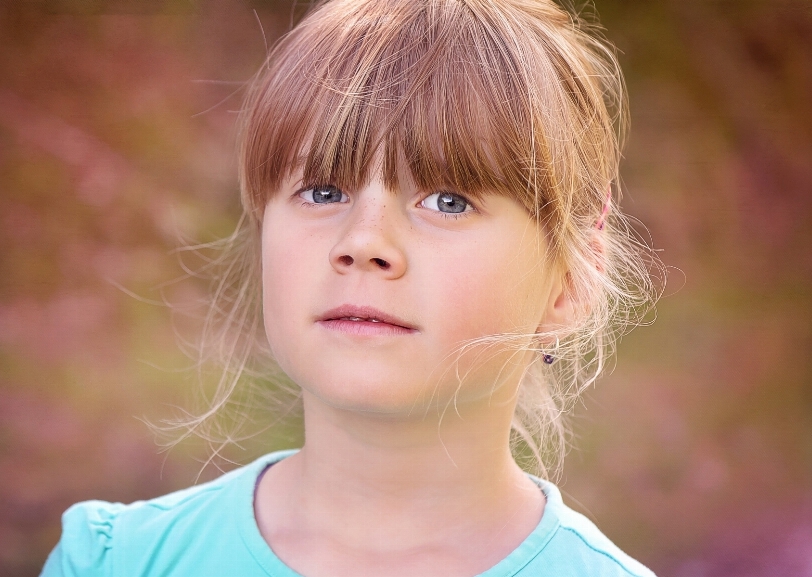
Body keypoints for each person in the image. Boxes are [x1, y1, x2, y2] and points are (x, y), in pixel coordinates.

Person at [41, 0, 659, 575]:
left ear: (571, 276)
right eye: (323, 192)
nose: (362, 242)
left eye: (448, 200)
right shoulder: (114, 563)